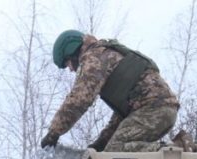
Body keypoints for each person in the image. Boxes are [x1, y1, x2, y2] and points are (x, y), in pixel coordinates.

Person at [41, 30, 187, 152]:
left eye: (68, 64)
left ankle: (179, 149)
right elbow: (121, 116)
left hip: (154, 110)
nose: (71, 69)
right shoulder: (103, 54)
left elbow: (79, 100)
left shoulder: (94, 59)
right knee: (109, 153)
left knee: (116, 150)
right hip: (158, 110)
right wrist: (100, 144)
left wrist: (54, 132)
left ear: (72, 51)